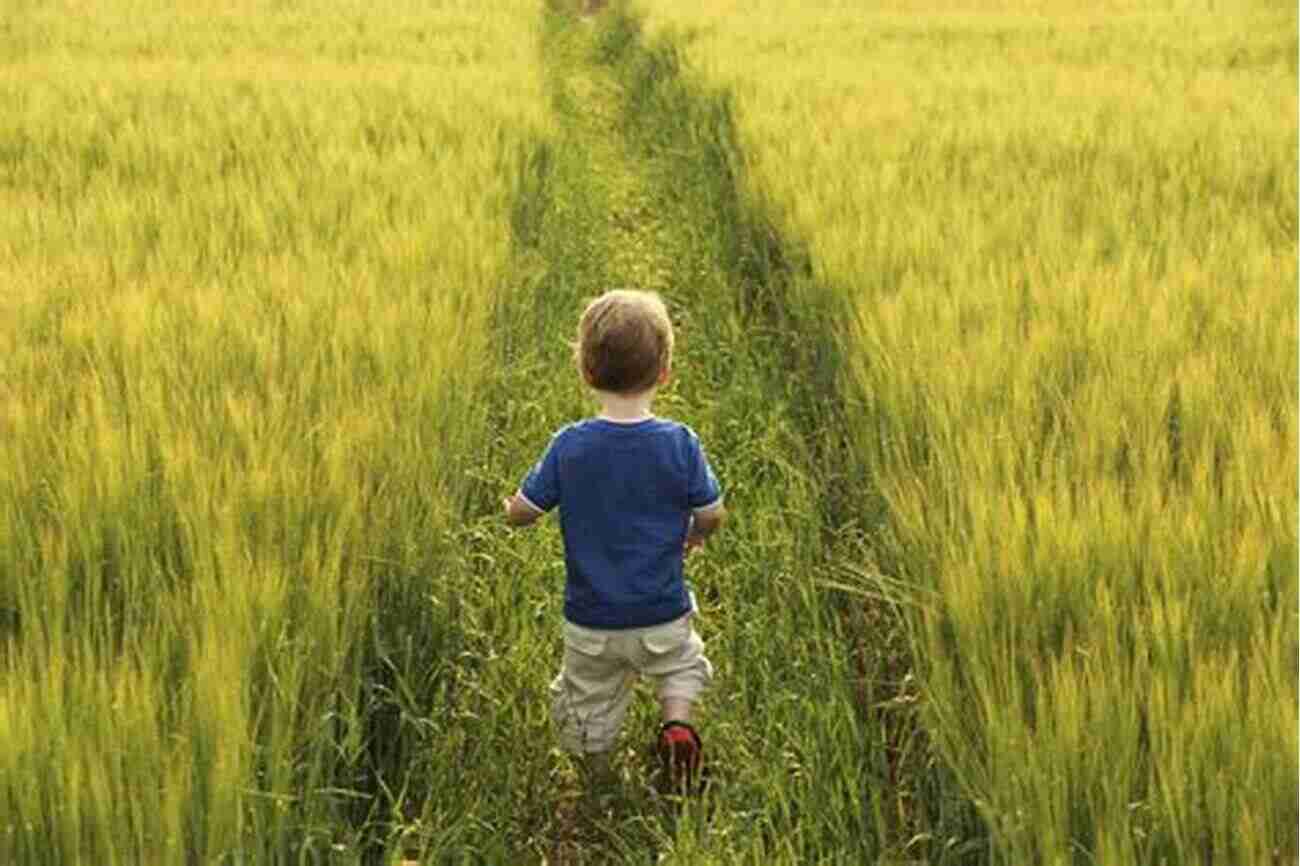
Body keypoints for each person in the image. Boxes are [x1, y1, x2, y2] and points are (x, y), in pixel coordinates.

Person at [503, 289, 726, 791]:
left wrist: (509, 509)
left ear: (585, 371)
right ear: (665, 372)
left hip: (592, 620)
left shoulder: (570, 445)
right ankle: (677, 725)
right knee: (681, 666)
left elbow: (524, 513)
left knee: (587, 699)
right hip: (662, 611)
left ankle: (598, 782)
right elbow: (712, 513)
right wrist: (697, 535)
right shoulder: (680, 443)